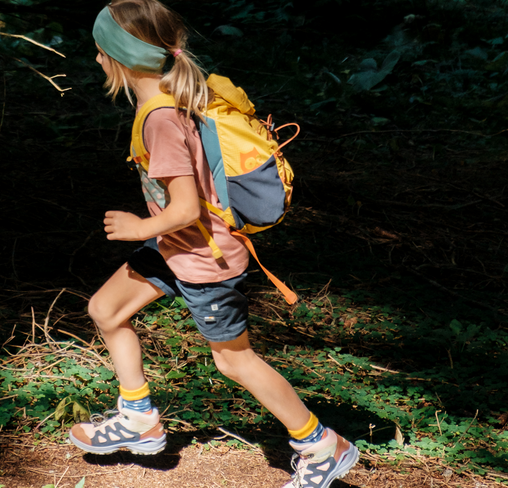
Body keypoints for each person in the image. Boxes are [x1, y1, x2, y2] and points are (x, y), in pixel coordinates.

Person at [68, 1, 359, 486]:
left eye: (101, 51)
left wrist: (136, 226)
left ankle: (321, 444)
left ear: (122, 57)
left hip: (205, 259)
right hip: (175, 248)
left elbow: (186, 208)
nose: (97, 60)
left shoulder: (159, 118)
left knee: (234, 360)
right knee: (106, 310)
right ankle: (138, 418)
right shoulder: (165, 97)